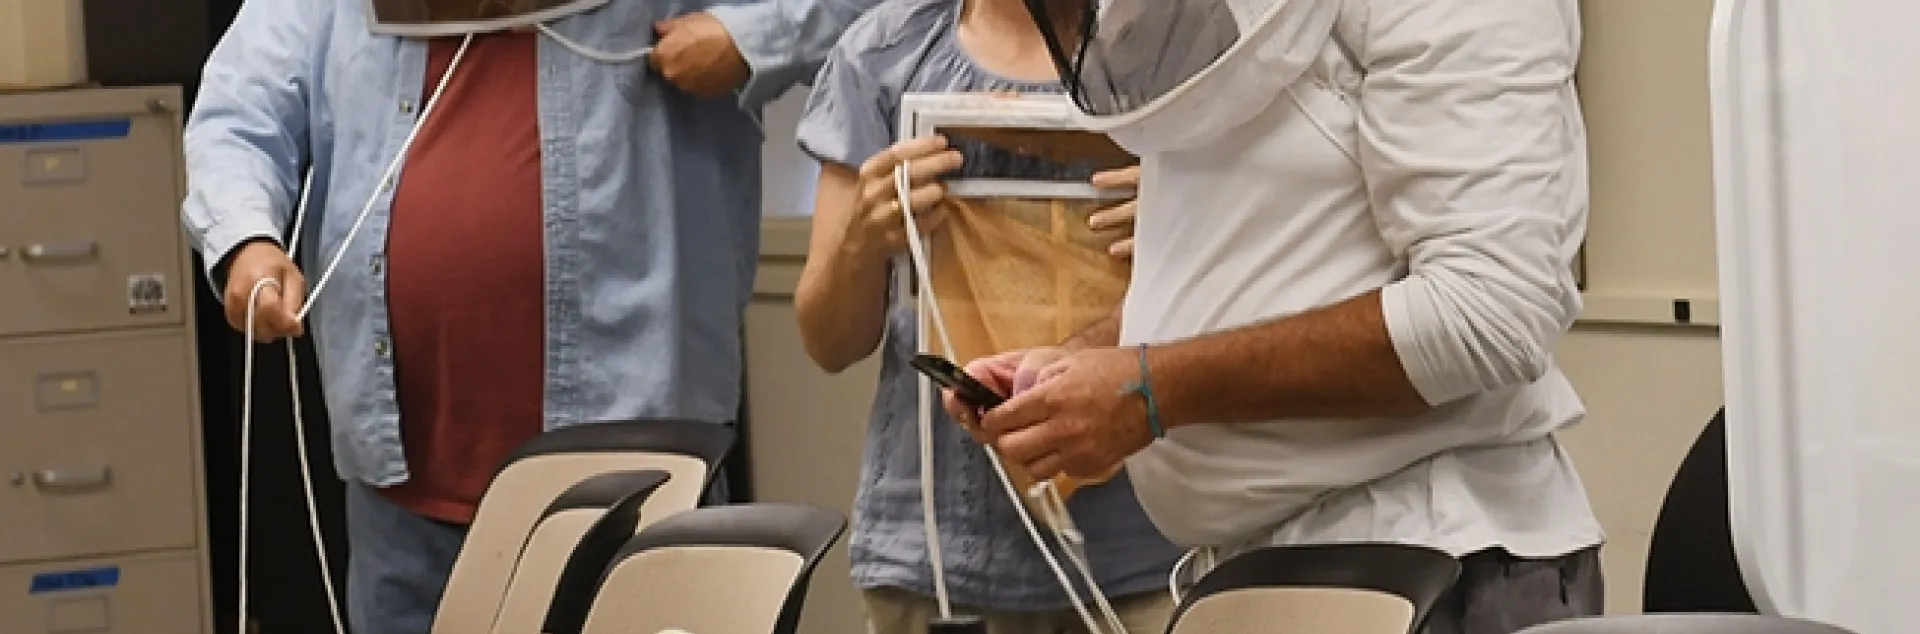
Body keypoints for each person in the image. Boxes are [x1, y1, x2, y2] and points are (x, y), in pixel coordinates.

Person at [180, 0, 877, 632]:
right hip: (401, 497)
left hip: (633, 482)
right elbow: (241, 110)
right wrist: (246, 237)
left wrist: (750, 36)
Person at [945, 2, 1606, 634]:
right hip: (1275, 572)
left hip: (1434, 559)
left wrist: (1151, 387)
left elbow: (1486, 314)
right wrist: (1087, 361)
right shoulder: (1224, 34)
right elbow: (1266, 261)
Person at [793, 0, 1182, 632]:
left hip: (1144, 557)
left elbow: (1256, 299)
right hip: (935, 557)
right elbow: (829, 341)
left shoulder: (1178, 46)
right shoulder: (884, 54)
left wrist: (1189, 222)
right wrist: (861, 242)